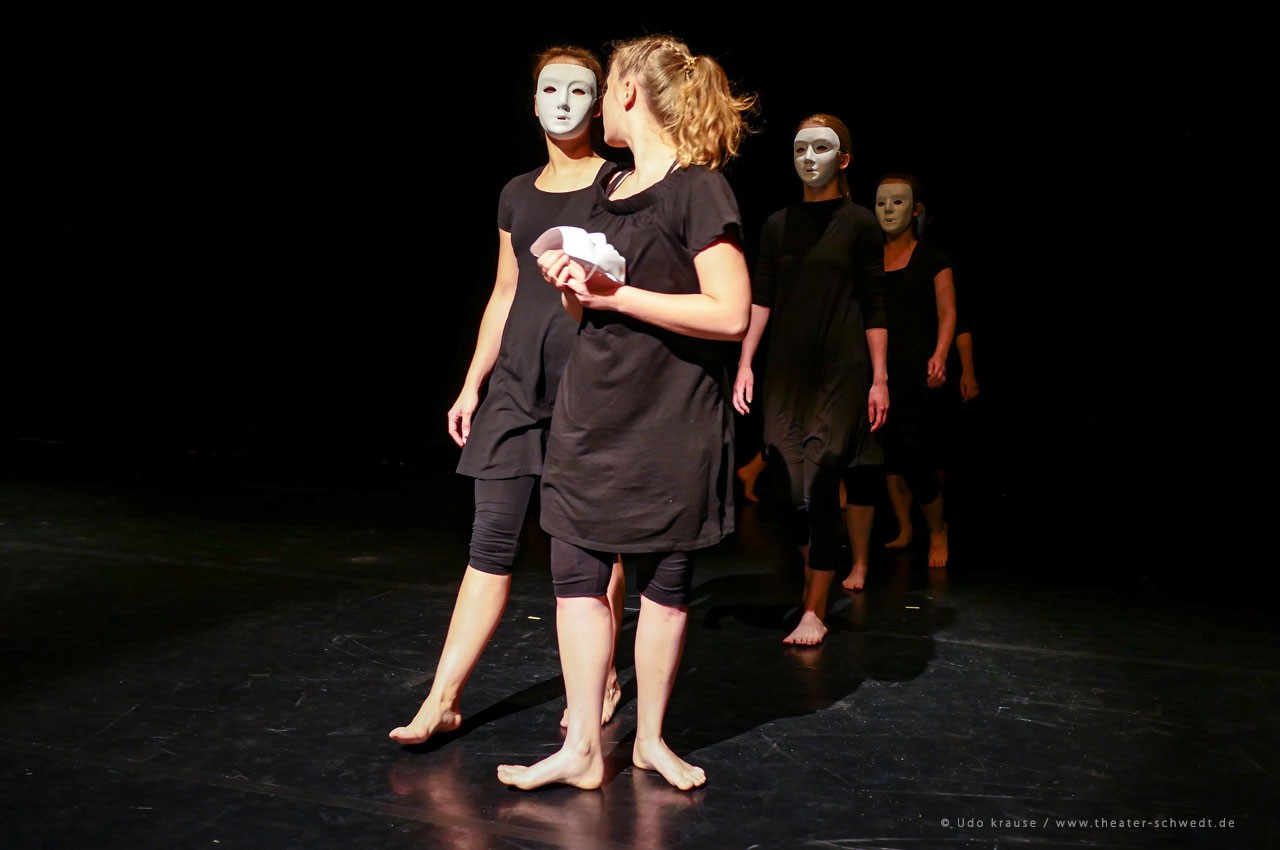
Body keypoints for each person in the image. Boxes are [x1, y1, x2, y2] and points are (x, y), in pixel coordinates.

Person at [497, 34, 754, 792]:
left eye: (606, 86)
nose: (601, 102)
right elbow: (594, 313)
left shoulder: (698, 188)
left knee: (664, 582)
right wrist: (575, 288)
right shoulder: (609, 191)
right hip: (594, 409)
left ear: (630, 93)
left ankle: (648, 741)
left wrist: (619, 296)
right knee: (576, 574)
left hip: (669, 416)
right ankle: (583, 746)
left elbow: (730, 312)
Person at [389, 45, 626, 747]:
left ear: (598, 104)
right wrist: (473, 383)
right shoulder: (516, 193)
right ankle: (443, 700)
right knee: (489, 541)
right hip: (517, 388)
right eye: (550, 89)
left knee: (592, 546)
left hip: (589, 387)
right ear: (532, 101)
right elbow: (504, 292)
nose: (563, 102)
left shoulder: (617, 183)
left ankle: (602, 679)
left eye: (578, 90)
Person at [732, 113, 888, 635]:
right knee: (786, 487)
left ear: (844, 159)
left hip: (841, 370)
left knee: (820, 485)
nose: (808, 158)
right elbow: (761, 297)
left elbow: (875, 302)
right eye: (800, 148)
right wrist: (745, 362)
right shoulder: (779, 224)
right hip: (785, 373)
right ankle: (813, 577)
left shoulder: (859, 222)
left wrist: (880, 378)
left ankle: (815, 608)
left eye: (821, 148)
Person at [874, 172, 957, 568]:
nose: (889, 210)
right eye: (881, 203)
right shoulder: (871, 260)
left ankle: (937, 531)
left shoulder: (933, 259)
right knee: (889, 457)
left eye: (898, 202)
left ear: (917, 209)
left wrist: (940, 354)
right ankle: (905, 528)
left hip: (918, 372)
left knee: (918, 459)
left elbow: (948, 311)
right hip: (880, 373)